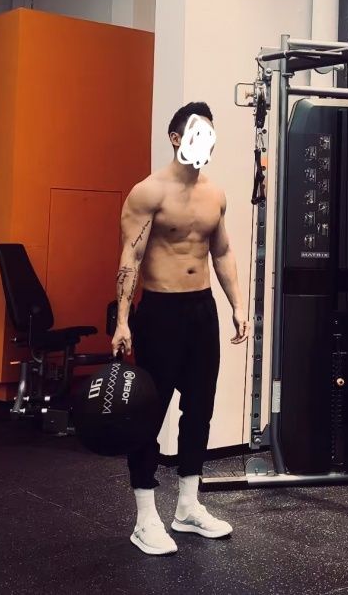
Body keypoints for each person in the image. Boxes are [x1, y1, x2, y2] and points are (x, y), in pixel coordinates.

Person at [111, 101, 250, 556]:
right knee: (149, 414)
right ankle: (145, 518)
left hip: (200, 311)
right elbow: (130, 258)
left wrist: (237, 305)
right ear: (176, 138)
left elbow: (222, 252)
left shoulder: (215, 194)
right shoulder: (148, 192)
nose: (205, 141)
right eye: (197, 133)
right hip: (160, 312)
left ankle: (188, 507)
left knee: (199, 409)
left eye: (210, 134)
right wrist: (123, 320)